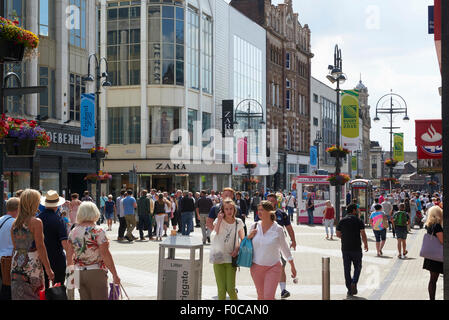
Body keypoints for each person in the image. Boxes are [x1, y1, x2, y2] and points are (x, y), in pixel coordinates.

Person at [66, 201, 120, 300]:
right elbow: (105, 254)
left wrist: (70, 275)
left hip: (78, 272)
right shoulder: (98, 231)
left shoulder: (73, 231)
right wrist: (115, 274)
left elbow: (69, 255)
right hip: (96, 271)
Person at [247, 201, 297, 300]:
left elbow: (284, 248)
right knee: (261, 297)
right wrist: (248, 237)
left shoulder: (278, 229)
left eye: (262, 210)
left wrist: (292, 265)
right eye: (258, 210)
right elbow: (245, 244)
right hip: (256, 267)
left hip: (273, 267)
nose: (259, 212)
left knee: (268, 297)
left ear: (270, 212)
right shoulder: (254, 226)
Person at [10, 189, 55, 300]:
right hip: (31, 264)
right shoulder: (36, 222)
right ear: (33, 203)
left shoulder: (14, 223)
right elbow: (40, 246)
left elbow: (15, 246)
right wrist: (48, 270)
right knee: (34, 295)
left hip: (16, 264)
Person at [209, 198, 244, 300]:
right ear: (222, 210)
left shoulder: (238, 222)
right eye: (226, 209)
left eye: (231, 209)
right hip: (218, 257)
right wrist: (219, 220)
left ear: (234, 210)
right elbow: (214, 235)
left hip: (231, 258)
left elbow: (242, 239)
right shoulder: (218, 221)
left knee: (231, 289)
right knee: (221, 289)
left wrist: (237, 250)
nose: (229, 211)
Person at [37, 190, 70, 289]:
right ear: (57, 205)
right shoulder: (59, 220)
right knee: (58, 288)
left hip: (41, 258)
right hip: (57, 258)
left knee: (43, 289)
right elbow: (64, 243)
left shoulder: (38, 218)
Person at [267, 193, 297, 299]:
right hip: (266, 246)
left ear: (276, 202)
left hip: (279, 244)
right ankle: (269, 291)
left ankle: (283, 290)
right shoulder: (262, 213)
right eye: (268, 200)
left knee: (281, 266)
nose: (270, 202)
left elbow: (289, 227)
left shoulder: (281, 213)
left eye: (272, 200)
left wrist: (293, 240)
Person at [336, 203, 369, 297]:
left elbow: (338, 234)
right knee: (358, 267)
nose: (358, 211)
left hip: (345, 248)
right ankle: (354, 282)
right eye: (357, 209)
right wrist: (366, 244)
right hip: (356, 248)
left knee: (347, 268)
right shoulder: (358, 221)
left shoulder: (342, 221)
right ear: (354, 210)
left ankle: (349, 288)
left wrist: (345, 238)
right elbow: (363, 234)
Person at [0, 197, 19, 300]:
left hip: (1, 259)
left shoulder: (0, 219)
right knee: (8, 290)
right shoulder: (15, 223)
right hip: (9, 261)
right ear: (18, 208)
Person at [422, 205, 443, 300]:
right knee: (434, 279)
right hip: (437, 255)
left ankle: (432, 298)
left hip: (431, 255)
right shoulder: (437, 226)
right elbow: (442, 240)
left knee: (432, 279)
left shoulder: (429, 225)